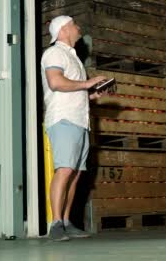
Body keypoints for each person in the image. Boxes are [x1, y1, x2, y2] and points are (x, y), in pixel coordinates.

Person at [41, 15, 107, 241]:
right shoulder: (54, 53)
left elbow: (73, 89)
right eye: (74, 25)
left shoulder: (74, 58)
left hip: (80, 120)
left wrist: (92, 94)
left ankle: (67, 223)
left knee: (76, 174)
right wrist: (87, 83)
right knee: (65, 170)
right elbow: (55, 82)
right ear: (63, 30)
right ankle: (56, 224)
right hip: (64, 120)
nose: (78, 28)